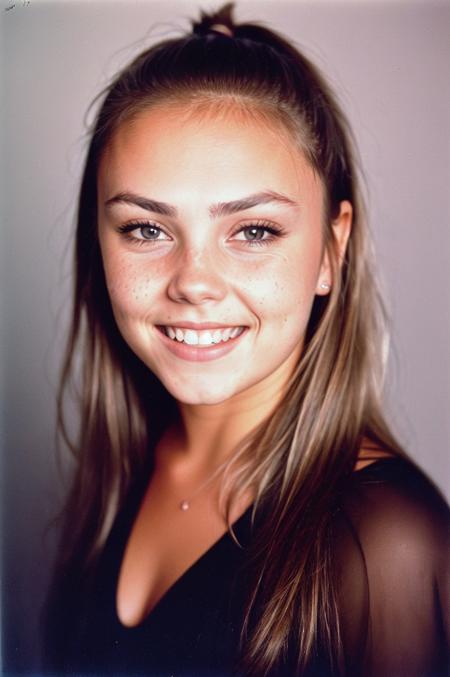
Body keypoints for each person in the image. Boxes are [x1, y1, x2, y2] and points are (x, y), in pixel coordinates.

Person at [42, 3, 449, 675]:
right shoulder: (123, 467)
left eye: (253, 230)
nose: (193, 283)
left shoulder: (384, 540)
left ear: (330, 248)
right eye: (146, 228)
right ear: (99, 239)